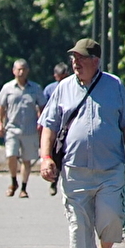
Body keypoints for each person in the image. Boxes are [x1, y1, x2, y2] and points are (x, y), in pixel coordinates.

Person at [38, 39, 125, 248]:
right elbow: (49, 125)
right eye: (74, 58)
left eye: (81, 58)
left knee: (112, 216)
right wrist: (46, 158)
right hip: (75, 169)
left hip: (110, 168)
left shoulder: (114, 86)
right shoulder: (64, 88)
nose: (76, 63)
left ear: (96, 62)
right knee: (78, 221)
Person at [0, 59, 45, 198]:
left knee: (27, 160)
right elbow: (0, 106)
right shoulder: (8, 88)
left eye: (23, 69)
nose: (21, 72)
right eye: (18, 69)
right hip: (12, 128)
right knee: (11, 155)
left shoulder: (35, 88)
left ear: (27, 71)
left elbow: (42, 106)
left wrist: (41, 122)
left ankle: (23, 187)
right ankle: (13, 181)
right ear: (14, 71)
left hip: (29, 129)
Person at [41, 63, 72, 196]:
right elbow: (44, 107)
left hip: (67, 128)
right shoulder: (50, 89)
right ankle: (53, 179)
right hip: (54, 127)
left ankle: (57, 179)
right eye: (59, 78)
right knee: (54, 153)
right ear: (55, 76)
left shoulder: (73, 88)